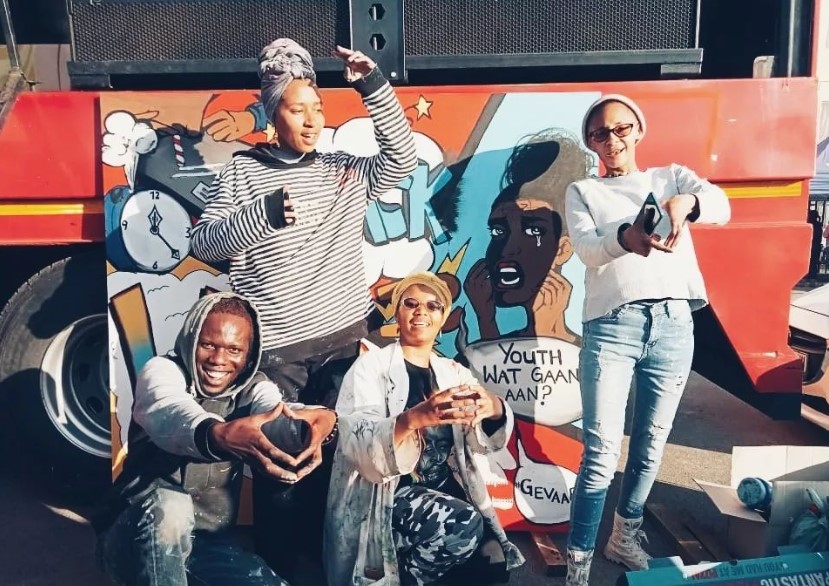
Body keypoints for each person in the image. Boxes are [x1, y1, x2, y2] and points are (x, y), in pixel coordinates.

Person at [189, 38, 418, 574]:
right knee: (282, 469)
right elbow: (203, 244)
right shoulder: (244, 173)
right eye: (298, 109)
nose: (313, 120)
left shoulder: (344, 169)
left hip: (344, 344)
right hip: (277, 354)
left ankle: (335, 570)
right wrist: (262, 216)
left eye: (318, 107)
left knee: (343, 463)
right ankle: (282, 573)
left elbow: (402, 160)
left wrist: (372, 84)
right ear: (273, 116)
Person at [562, 94, 731, 585]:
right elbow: (587, 250)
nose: (612, 140)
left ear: (638, 130)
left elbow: (722, 207)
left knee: (651, 444)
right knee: (600, 452)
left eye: (621, 128)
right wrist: (626, 239)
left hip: (674, 324)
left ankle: (624, 535)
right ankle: (578, 565)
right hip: (611, 325)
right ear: (590, 142)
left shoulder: (670, 177)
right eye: (600, 133)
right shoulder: (583, 190)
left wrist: (688, 203)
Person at [93, 292, 337, 586]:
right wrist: (216, 434)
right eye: (208, 345)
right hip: (132, 541)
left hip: (203, 546)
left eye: (234, 350)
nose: (219, 360)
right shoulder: (162, 371)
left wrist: (318, 422)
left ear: (249, 356)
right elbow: (169, 410)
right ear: (191, 340)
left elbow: (276, 416)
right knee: (171, 508)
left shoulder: (253, 388)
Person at [324, 272, 525, 586]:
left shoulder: (454, 373)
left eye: (433, 306)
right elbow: (357, 444)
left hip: (445, 490)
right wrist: (414, 419)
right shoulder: (369, 368)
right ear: (397, 312)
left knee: (494, 561)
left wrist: (494, 407)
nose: (421, 312)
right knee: (462, 526)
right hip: (388, 495)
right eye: (411, 303)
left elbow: (481, 443)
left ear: (443, 317)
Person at [464, 129, 591, 342]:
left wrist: (545, 331)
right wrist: (486, 320)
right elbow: (496, 364)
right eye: (498, 231)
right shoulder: (481, 349)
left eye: (533, 231)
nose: (507, 249)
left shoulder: (592, 353)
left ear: (562, 250)